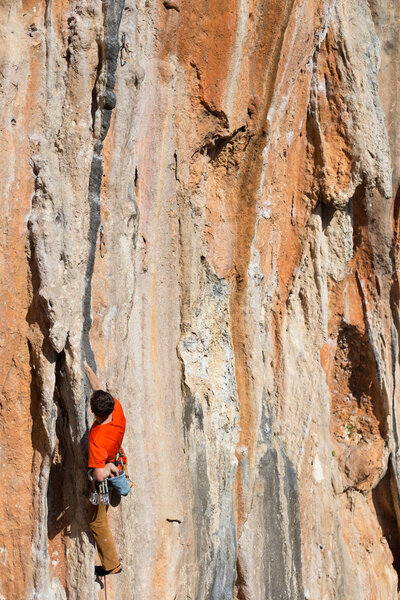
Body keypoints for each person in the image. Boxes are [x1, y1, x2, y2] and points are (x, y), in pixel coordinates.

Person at [84, 361, 126, 577]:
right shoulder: (116, 409)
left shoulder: (98, 439)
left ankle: (112, 565)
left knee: (96, 522)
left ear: (93, 412)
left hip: (102, 482)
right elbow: (99, 388)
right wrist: (86, 368)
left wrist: (106, 466)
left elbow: (99, 474)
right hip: (116, 457)